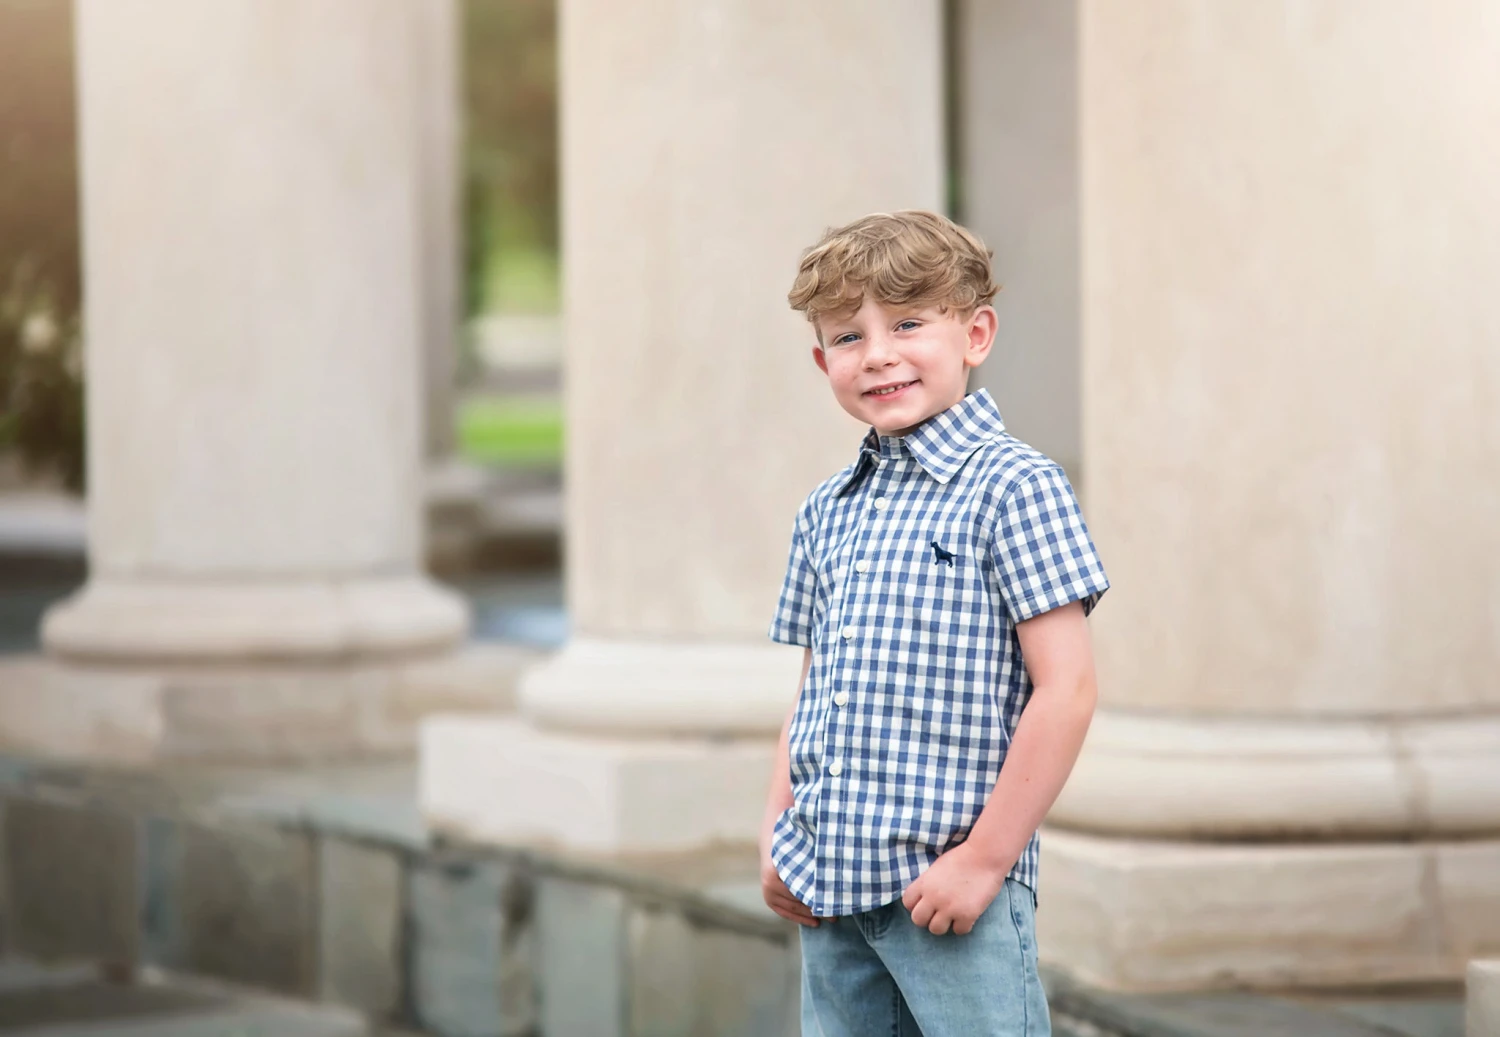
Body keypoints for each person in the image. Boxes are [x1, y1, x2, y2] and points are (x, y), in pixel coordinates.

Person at [760, 210, 1110, 1036]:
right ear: (824, 361)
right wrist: (777, 829)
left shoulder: (1014, 487)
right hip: (830, 883)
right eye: (849, 336)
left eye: (908, 323)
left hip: (949, 887)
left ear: (975, 334)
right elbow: (814, 692)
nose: (878, 353)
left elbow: (1066, 691)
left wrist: (983, 860)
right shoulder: (826, 510)